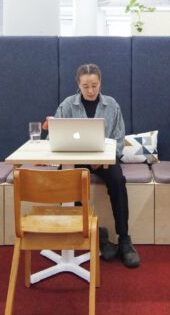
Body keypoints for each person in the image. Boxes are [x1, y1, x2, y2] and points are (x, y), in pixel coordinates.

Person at [54, 64, 140, 268]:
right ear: (78, 85)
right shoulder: (67, 105)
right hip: (75, 158)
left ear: (100, 82)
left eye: (94, 85)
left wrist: (106, 158)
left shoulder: (112, 104)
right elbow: (54, 136)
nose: (91, 90)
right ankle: (96, 235)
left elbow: (120, 138)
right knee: (64, 182)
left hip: (105, 159)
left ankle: (124, 239)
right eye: (86, 86)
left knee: (118, 181)